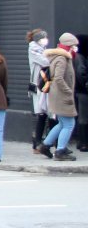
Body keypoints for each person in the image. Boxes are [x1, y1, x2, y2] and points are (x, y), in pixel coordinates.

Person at [37, 33, 80, 161]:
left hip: (57, 95)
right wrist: (68, 92)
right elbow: (59, 79)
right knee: (69, 124)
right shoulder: (62, 58)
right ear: (68, 46)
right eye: (73, 46)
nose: (75, 48)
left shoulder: (61, 57)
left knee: (62, 123)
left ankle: (45, 145)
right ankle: (60, 151)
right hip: (62, 96)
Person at [27, 29, 52, 152]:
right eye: (43, 38)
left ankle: (41, 142)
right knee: (41, 113)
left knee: (46, 113)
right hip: (38, 85)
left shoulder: (43, 50)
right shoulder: (34, 50)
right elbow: (46, 61)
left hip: (44, 84)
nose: (45, 40)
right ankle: (37, 142)